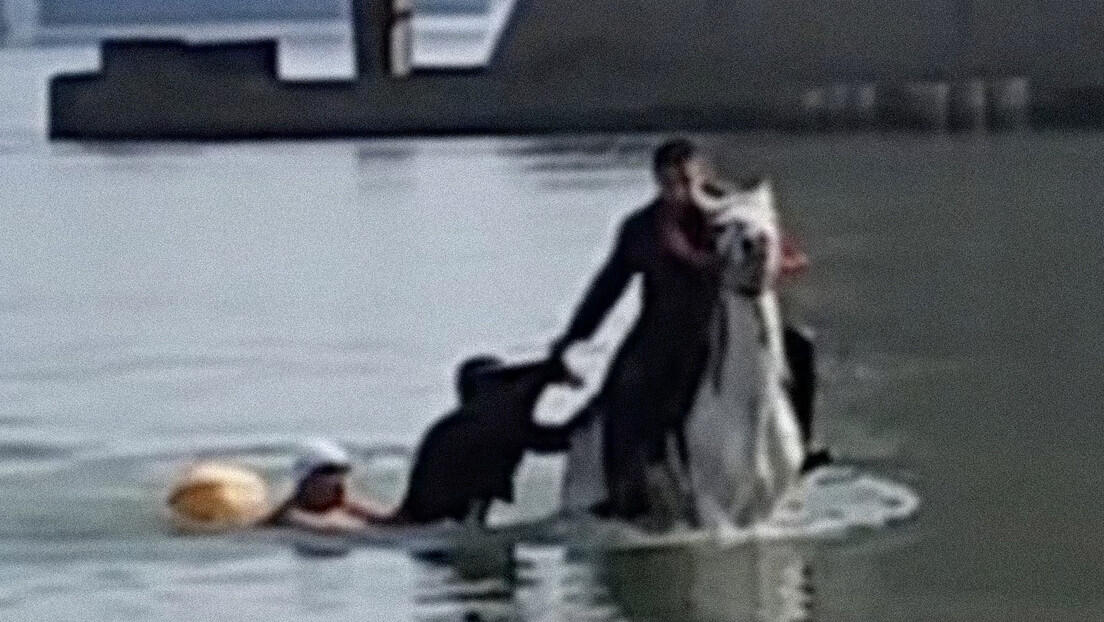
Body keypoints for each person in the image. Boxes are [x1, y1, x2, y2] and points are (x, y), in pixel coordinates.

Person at [550, 138, 722, 520]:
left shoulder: (731, 220)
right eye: (669, 185)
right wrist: (573, 337)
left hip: (721, 328)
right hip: (661, 333)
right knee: (621, 399)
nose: (680, 194)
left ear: (704, 177)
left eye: (687, 182)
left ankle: (802, 450)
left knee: (798, 351)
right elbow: (608, 288)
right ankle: (624, 493)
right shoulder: (642, 228)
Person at [262, 439, 386, 530]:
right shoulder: (292, 517)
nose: (339, 480)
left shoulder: (350, 508)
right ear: (307, 481)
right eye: (329, 472)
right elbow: (332, 528)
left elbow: (392, 521)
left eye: (342, 472)